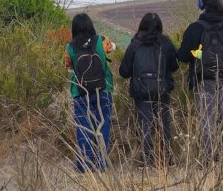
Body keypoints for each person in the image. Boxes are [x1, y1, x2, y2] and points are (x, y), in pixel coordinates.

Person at [178, 0, 223, 164]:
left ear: (202, 6)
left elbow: (183, 57)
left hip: (204, 80)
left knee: (206, 121)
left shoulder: (195, 28)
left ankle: (208, 160)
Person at [119, 13, 179, 167]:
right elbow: (174, 66)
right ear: (159, 26)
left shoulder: (135, 45)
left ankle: (147, 159)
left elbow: (124, 71)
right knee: (163, 124)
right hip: (162, 90)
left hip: (141, 92)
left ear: (142, 25)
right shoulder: (165, 43)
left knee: (145, 125)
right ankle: (166, 158)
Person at [64, 13, 115, 172]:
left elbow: (69, 68)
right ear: (90, 26)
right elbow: (113, 48)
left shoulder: (69, 47)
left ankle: (84, 165)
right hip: (103, 90)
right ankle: (101, 164)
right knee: (103, 127)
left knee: (83, 129)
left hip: (80, 93)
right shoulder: (101, 40)